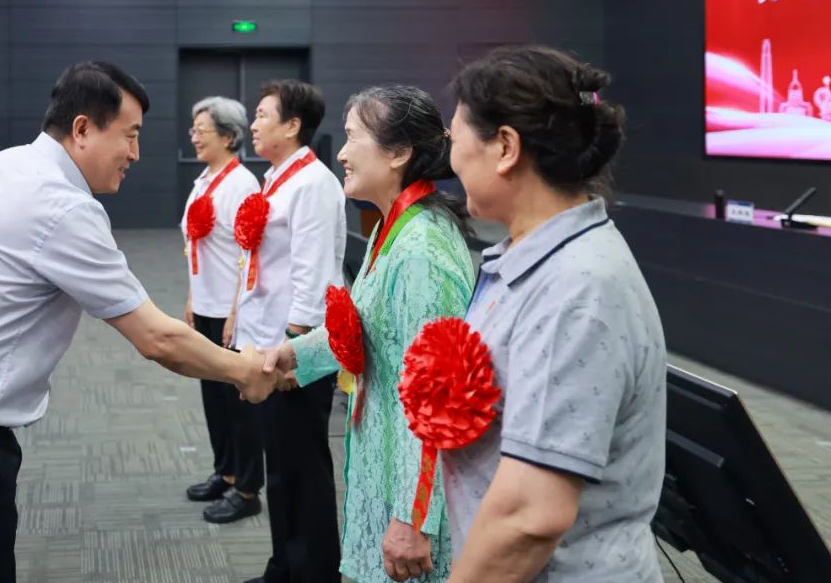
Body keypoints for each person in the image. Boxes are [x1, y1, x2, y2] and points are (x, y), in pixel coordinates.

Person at [0, 61, 280, 583]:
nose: (135, 153)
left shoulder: (7, 164)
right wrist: (245, 371)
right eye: (129, 135)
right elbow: (157, 339)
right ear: (83, 128)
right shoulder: (61, 207)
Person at [442, 46, 666, 582]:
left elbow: (529, 518)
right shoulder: (533, 260)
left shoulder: (576, 288)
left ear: (505, 147)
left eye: (455, 140)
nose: (451, 160)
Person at [263, 85, 475, 583]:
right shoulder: (391, 227)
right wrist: (290, 356)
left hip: (411, 497)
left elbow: (437, 400)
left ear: (398, 152)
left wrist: (413, 519)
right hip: (383, 463)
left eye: (353, 136)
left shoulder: (420, 251)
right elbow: (366, 327)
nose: (340, 152)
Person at [235, 79, 347, 583]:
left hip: (294, 351)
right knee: (280, 465)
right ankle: (284, 567)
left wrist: (292, 350)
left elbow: (313, 275)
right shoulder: (277, 179)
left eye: (263, 115)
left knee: (302, 467)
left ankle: (313, 573)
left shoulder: (312, 183)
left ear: (293, 125)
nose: (254, 124)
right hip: (268, 342)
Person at [179, 96, 264, 522]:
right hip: (206, 305)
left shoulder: (241, 184)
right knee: (213, 396)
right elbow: (196, 246)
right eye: (193, 129)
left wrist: (235, 313)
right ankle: (225, 472)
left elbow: (248, 254)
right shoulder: (204, 180)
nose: (194, 136)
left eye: (202, 130)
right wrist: (192, 299)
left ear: (229, 136)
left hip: (232, 309)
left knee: (237, 402)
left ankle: (247, 489)